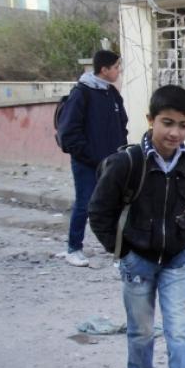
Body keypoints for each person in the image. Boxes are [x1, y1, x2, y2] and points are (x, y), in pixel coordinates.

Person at [87, 84, 185, 368]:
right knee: (141, 330)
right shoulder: (128, 161)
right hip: (137, 262)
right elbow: (99, 211)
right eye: (167, 122)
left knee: (181, 333)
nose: (175, 132)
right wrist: (122, 252)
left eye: (183, 124)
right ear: (150, 120)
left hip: (177, 261)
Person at [56, 49, 127, 267]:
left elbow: (121, 124)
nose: (118, 71)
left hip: (111, 162)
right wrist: (90, 156)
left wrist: (120, 151)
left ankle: (118, 251)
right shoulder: (82, 93)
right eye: (116, 67)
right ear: (104, 70)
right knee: (85, 203)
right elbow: (69, 133)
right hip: (87, 163)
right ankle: (74, 248)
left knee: (115, 205)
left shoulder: (111, 93)